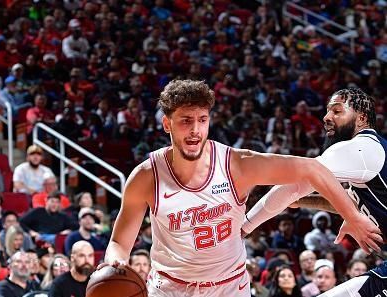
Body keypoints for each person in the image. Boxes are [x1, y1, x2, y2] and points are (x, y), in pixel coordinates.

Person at [102, 80, 380, 297]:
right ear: (167, 124)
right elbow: (118, 243)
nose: (196, 130)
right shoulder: (146, 176)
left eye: (202, 119)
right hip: (171, 286)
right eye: (186, 121)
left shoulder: (237, 164)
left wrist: (353, 216)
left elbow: (312, 169)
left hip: (229, 286)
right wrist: (115, 263)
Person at [241, 87, 387, 296]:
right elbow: (345, 202)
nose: (327, 117)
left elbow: (295, 184)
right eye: (327, 111)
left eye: (337, 111)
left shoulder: (362, 148)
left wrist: (244, 228)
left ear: (361, 118)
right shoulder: (371, 154)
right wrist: (302, 201)